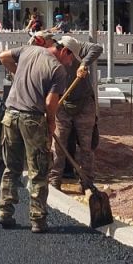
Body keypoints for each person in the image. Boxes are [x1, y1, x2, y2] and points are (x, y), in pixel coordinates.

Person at [0, 35, 76, 233]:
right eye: (72, 59)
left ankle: (4, 211)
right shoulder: (58, 69)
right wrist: (50, 124)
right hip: (32, 119)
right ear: (65, 51)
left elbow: (3, 56)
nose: (71, 63)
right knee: (38, 171)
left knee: (11, 167)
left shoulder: (27, 50)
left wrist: (19, 74)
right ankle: (38, 219)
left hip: (10, 115)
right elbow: (50, 103)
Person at [47, 35, 98, 199]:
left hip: (84, 103)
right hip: (62, 103)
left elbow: (96, 48)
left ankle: (87, 182)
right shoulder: (50, 56)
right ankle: (54, 181)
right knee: (58, 145)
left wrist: (83, 64)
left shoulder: (75, 46)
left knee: (86, 147)